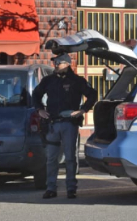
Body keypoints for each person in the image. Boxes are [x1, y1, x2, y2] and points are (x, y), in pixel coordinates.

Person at [32, 54, 98, 199]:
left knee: (69, 158)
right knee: (51, 158)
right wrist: (40, 110)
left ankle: (71, 188)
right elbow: (35, 95)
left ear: (67, 64)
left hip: (69, 124)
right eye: (54, 62)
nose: (55, 64)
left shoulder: (76, 81)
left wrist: (83, 110)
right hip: (52, 124)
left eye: (59, 62)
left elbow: (93, 94)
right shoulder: (48, 80)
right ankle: (50, 188)